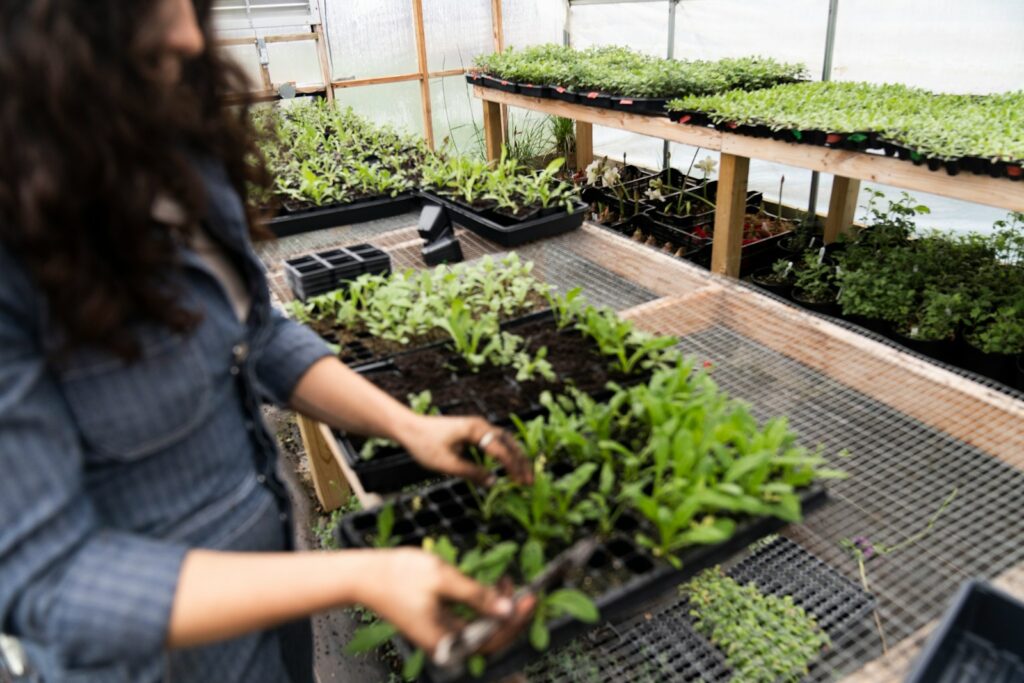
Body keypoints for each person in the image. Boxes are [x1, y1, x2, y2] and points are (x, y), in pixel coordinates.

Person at [0, 0, 536, 681]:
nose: (190, 33)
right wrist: (356, 577)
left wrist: (408, 426)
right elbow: (49, 578)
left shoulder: (176, 154)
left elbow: (257, 334)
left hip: (274, 612)